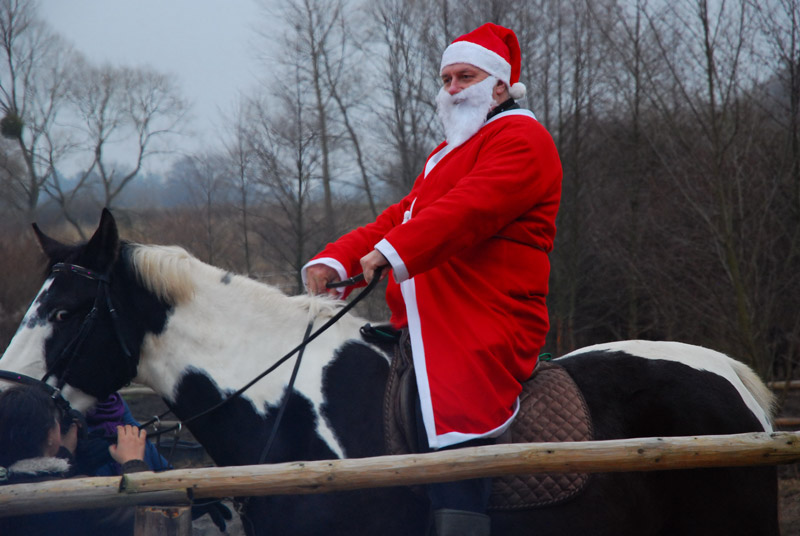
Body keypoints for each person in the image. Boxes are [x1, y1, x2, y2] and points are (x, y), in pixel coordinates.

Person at [304, 22, 562, 536]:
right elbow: (404, 214)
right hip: (430, 315)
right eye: (446, 79)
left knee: (453, 395)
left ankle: (460, 517)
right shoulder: (445, 155)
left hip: (485, 314)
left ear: (499, 85)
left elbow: (469, 210)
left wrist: (390, 251)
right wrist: (337, 260)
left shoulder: (523, 138)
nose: (451, 90)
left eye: (464, 76)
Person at [0, 385, 149, 536]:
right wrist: (133, 462)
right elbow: (139, 517)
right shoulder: (83, 493)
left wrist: (65, 454)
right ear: (50, 435)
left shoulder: (6, 483)